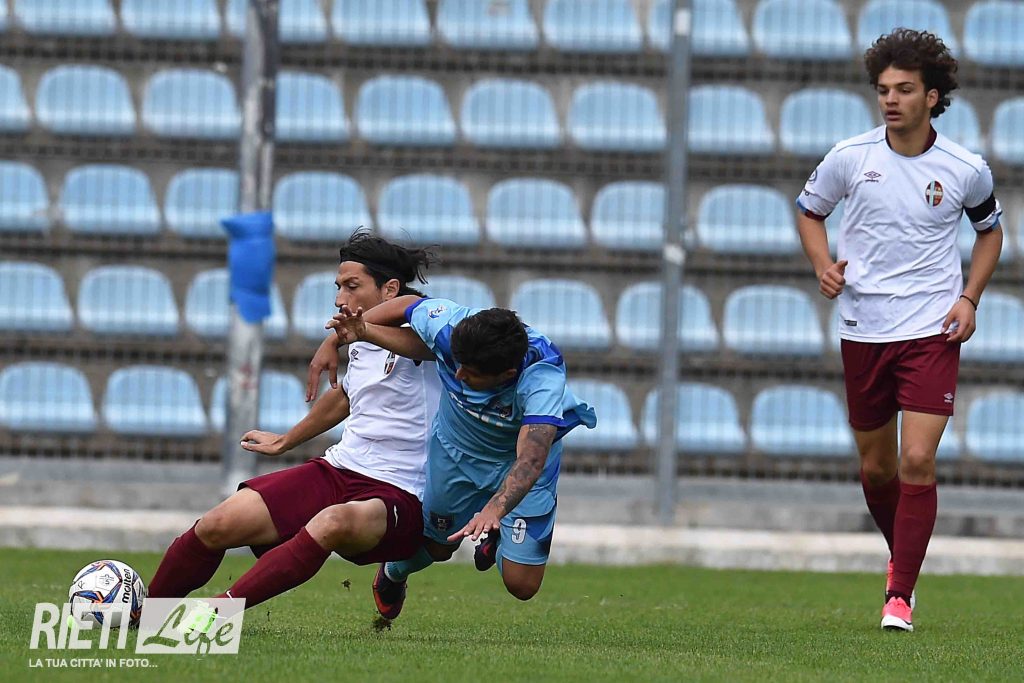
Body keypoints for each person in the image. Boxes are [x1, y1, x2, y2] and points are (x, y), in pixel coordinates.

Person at [796, 28, 1002, 631]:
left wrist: (969, 299)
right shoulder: (850, 157)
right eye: (884, 89)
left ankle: (900, 595)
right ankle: (903, 558)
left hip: (932, 331)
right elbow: (809, 211)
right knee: (879, 468)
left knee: (916, 459)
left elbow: (990, 233)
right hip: (863, 328)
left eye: (905, 89)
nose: (891, 99)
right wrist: (822, 265)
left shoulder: (964, 169)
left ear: (932, 97)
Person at [147, 231, 441, 611]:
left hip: (401, 491)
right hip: (340, 470)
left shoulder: (428, 326)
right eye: (338, 287)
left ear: (390, 289)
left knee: (332, 523)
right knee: (217, 524)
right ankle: (146, 614)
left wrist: (341, 337)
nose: (339, 298)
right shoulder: (360, 339)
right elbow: (347, 395)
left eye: (352, 286)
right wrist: (286, 440)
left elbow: (422, 328)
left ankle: (218, 613)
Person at [309, 295, 596, 618]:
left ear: (507, 374)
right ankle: (393, 572)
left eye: (470, 372)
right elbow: (405, 305)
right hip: (457, 453)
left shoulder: (543, 378)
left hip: (522, 464)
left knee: (523, 585)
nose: (457, 376)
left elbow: (530, 459)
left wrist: (495, 509)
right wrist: (344, 336)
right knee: (439, 545)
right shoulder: (451, 324)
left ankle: (497, 535)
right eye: (457, 364)